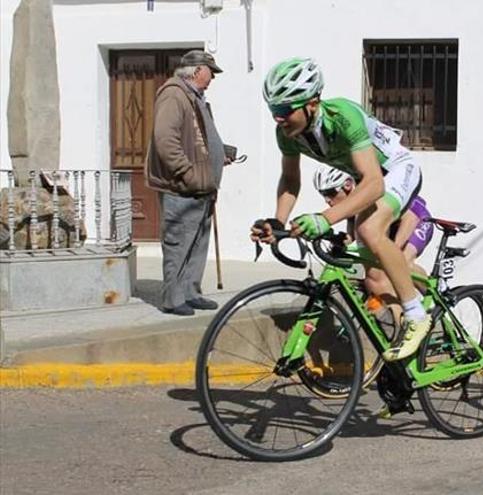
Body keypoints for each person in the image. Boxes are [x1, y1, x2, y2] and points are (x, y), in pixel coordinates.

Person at [251, 57, 430, 362]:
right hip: (369, 178)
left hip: (395, 170)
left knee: (369, 230)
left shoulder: (343, 116)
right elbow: (291, 180)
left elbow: (374, 184)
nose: (278, 119)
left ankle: (417, 314)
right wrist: (277, 222)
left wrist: (324, 219)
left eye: (284, 111)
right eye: (273, 111)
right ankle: (415, 291)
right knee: (373, 274)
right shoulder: (286, 134)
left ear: (312, 103)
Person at [145, 50, 228, 316]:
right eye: (210, 71)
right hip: (183, 187)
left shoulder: (194, 97)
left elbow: (196, 139)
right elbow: (165, 141)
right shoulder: (174, 95)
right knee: (179, 242)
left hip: (202, 187)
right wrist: (189, 173)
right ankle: (173, 298)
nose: (213, 77)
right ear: (195, 71)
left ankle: (191, 292)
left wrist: (220, 153)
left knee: (197, 243)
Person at [312, 165, 433, 305]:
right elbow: (352, 236)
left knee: (401, 261)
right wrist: (337, 239)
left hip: (416, 219)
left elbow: (410, 219)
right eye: (323, 194)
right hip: (392, 226)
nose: (327, 200)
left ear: (348, 185)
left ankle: (434, 297)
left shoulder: (370, 196)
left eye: (331, 193)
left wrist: (394, 250)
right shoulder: (352, 205)